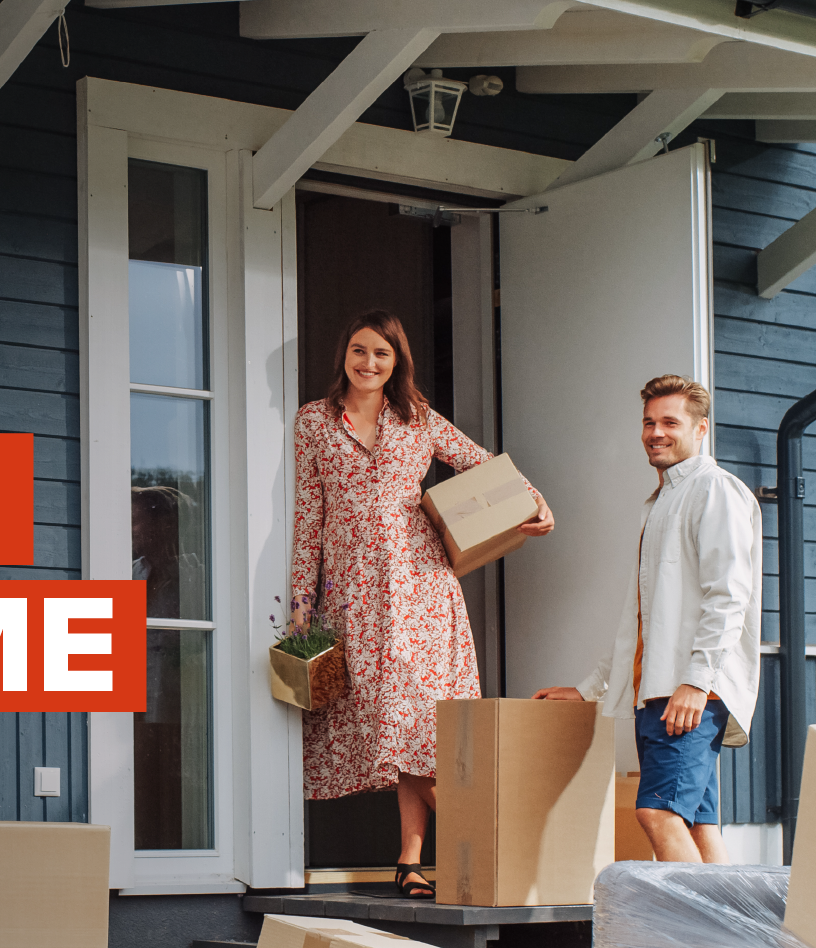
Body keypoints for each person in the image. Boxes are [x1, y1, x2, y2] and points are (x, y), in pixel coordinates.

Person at [290, 310, 553, 899]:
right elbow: (310, 515)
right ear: (345, 355)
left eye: (381, 354)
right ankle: (479, 847)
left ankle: (419, 857)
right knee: (393, 723)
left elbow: (485, 465)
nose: (368, 363)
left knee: (420, 725)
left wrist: (534, 502)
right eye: (359, 351)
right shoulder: (313, 422)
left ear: (396, 361)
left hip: (422, 592)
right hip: (354, 595)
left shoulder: (419, 419)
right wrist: (303, 602)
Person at [535, 375, 761, 864]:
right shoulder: (662, 502)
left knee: (657, 814)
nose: (655, 432)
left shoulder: (714, 491)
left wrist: (696, 683)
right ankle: (732, 934)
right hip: (662, 689)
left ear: (701, 429)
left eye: (670, 422)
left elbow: (728, 598)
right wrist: (589, 687)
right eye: (648, 423)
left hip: (685, 693)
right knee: (698, 824)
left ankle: (695, 941)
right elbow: (642, 621)